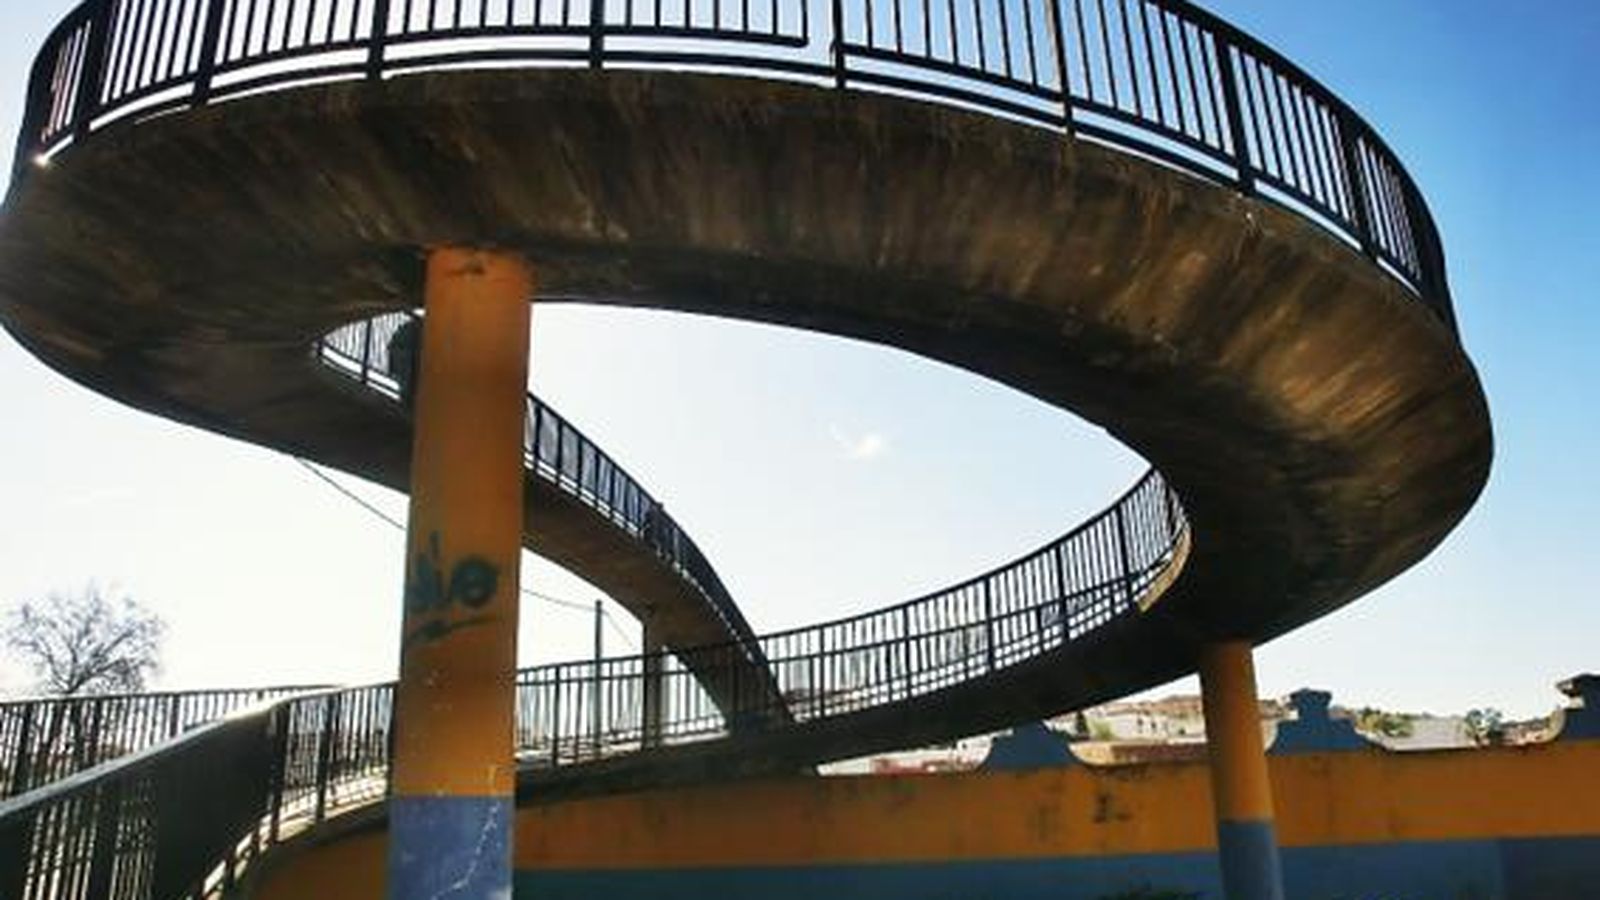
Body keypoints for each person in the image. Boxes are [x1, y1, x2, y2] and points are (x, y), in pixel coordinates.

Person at [387, 316, 422, 409]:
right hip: (409, 364)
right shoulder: (417, 329)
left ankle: (405, 404)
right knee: (409, 388)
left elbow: (391, 347)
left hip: (406, 363)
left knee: (406, 387)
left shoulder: (408, 328)